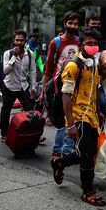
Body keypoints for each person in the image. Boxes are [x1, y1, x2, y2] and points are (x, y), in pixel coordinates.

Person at [50, 28, 106, 206]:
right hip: (77, 115)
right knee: (87, 154)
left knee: (85, 152)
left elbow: (95, 90)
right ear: (81, 45)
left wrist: (98, 111)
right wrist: (70, 124)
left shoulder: (94, 64)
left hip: (91, 116)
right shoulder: (74, 65)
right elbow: (66, 96)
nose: (93, 46)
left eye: (95, 44)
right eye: (89, 43)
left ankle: (60, 163)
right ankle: (87, 191)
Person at [40, 11, 81, 157]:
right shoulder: (55, 43)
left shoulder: (79, 42)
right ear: (65, 24)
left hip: (76, 86)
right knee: (63, 118)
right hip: (59, 86)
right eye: (70, 23)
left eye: (76, 23)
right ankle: (59, 150)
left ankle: (64, 149)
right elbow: (49, 68)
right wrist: (44, 90)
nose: (73, 26)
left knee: (72, 116)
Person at [0, 29, 36, 140]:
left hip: (23, 86)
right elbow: (6, 71)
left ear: (26, 41)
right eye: (17, 40)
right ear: (13, 41)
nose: (19, 42)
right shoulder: (8, 53)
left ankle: (32, 134)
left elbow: (33, 71)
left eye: (22, 40)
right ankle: (4, 133)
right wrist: (14, 57)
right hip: (9, 86)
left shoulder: (30, 54)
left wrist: (33, 87)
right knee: (6, 111)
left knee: (30, 111)